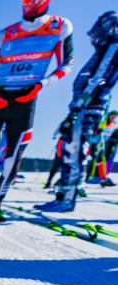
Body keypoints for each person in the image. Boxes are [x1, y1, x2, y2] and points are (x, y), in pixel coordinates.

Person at [0, 0, 74, 222]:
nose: (28, 4)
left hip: (25, 99)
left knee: (12, 157)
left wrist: (41, 85)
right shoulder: (4, 33)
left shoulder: (60, 26)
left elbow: (67, 64)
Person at [36, 11, 117, 212]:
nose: (93, 37)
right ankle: (62, 196)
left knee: (74, 151)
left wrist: (79, 105)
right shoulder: (105, 49)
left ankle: (66, 200)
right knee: (70, 149)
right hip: (83, 106)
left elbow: (98, 78)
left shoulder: (112, 47)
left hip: (88, 106)